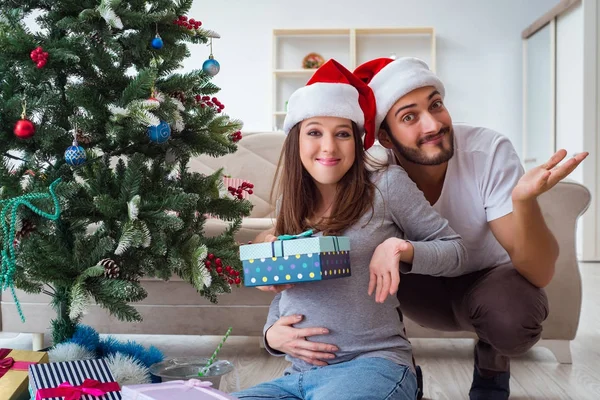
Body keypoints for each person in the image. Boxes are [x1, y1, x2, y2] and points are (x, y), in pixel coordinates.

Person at [262, 57, 589, 400]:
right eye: (409, 116)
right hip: (409, 282)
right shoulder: (356, 173)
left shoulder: (463, 160)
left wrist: (523, 202)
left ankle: (486, 358)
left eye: (436, 105)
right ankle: (401, 375)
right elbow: (290, 278)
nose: (432, 124)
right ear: (383, 137)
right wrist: (271, 332)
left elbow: (534, 271)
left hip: (484, 277)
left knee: (507, 315)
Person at [231, 59, 467, 400]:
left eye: (342, 133)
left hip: (373, 364)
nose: (328, 147)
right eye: (315, 132)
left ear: (357, 141)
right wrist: (270, 336)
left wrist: (401, 249)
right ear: (296, 139)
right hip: (298, 375)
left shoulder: (386, 186)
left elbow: (456, 251)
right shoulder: (291, 201)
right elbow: (286, 286)